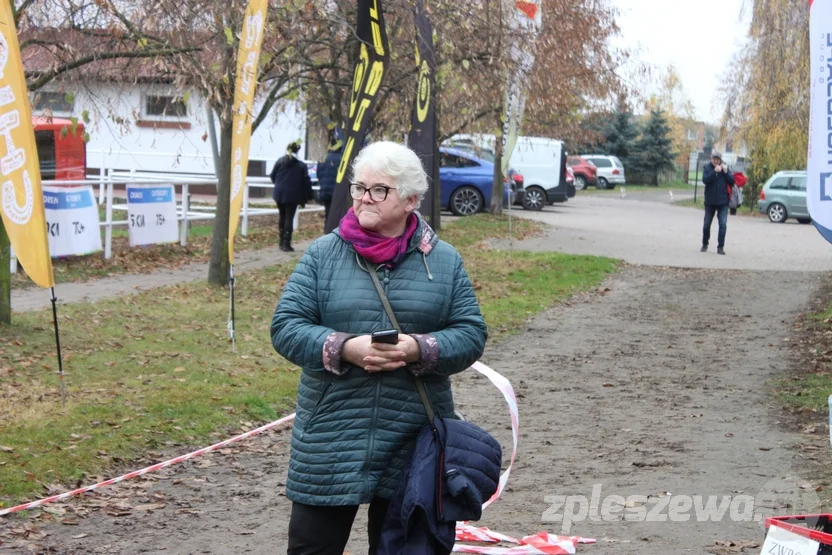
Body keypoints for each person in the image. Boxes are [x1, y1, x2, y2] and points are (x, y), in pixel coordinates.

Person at [270, 141, 488, 554]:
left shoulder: (443, 261)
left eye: (379, 189)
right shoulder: (322, 255)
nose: (364, 197)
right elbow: (285, 327)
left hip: (412, 439)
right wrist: (343, 347)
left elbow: (471, 334)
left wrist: (420, 349)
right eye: (359, 187)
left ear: (410, 199)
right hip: (330, 436)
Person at [270, 141, 312, 252]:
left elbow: (272, 175)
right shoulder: (301, 166)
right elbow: (306, 182)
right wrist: (308, 195)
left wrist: (279, 184)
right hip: (292, 195)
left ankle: (281, 242)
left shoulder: (280, 161)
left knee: (282, 217)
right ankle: (286, 243)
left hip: (279, 193)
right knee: (289, 218)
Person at [701, 151, 735, 255]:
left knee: (723, 224)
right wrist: (714, 172)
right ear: (712, 159)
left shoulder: (725, 167)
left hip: (723, 202)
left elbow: (732, 181)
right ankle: (705, 243)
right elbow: (705, 180)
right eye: (714, 159)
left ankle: (720, 247)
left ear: (720, 159)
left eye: (718, 159)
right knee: (707, 224)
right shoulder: (707, 168)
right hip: (710, 202)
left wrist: (725, 172)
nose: (716, 161)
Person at [316, 130, 344, 230]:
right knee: (338, 216)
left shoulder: (323, 158)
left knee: (328, 214)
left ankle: (327, 234)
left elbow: (318, 174)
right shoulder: (342, 159)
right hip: (337, 192)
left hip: (325, 191)